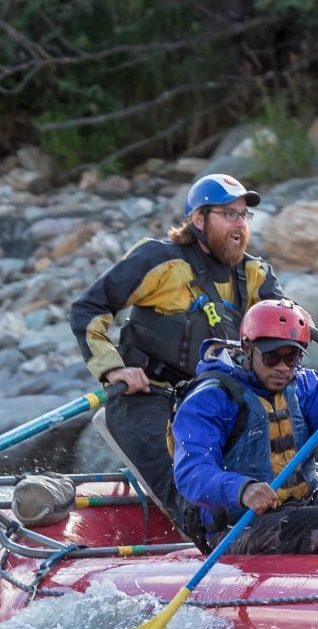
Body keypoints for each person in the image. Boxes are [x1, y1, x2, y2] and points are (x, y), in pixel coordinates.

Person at [69, 173, 285, 539]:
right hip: (146, 398)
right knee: (190, 485)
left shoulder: (253, 274)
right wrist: (114, 370)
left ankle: (287, 531)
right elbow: (88, 308)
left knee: (273, 468)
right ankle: (215, 540)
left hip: (211, 402)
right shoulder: (159, 260)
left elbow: (284, 330)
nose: (240, 225)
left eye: (244, 216)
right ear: (199, 220)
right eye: (228, 215)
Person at [171, 300, 318, 556]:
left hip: (305, 504)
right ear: (248, 348)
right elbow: (191, 474)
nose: (282, 367)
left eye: (292, 357)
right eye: (272, 356)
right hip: (238, 526)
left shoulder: (305, 384)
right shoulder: (209, 398)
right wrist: (242, 489)